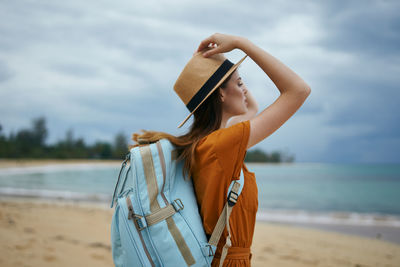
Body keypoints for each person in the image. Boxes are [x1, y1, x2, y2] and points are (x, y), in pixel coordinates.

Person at [132, 33, 311, 266]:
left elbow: (252, 108)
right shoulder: (221, 145)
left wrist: (219, 61)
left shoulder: (207, 144)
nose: (245, 90)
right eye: (239, 83)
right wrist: (241, 43)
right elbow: (298, 90)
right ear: (221, 94)